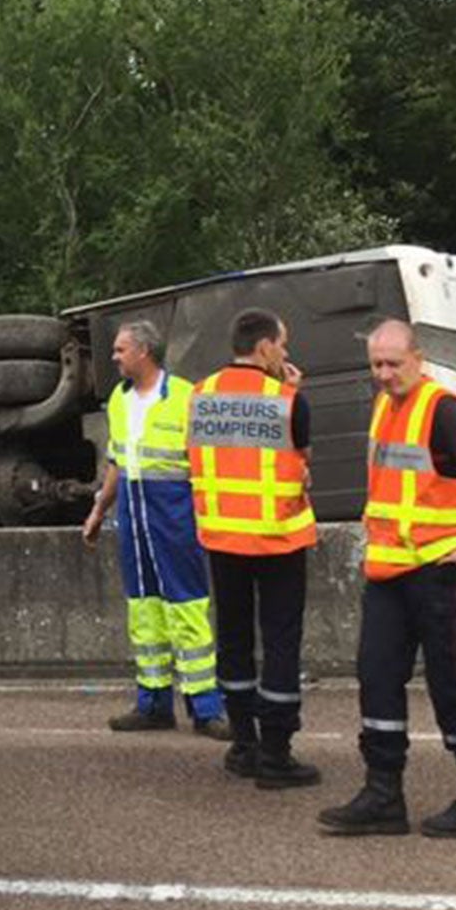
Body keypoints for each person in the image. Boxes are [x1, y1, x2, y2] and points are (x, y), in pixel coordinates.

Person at [320, 320, 456, 840]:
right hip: (390, 569)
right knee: (377, 675)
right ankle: (383, 794)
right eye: (376, 365)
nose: (384, 374)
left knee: (451, 681)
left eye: (393, 364)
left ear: (418, 359)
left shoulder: (442, 409)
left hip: (439, 571)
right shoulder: (387, 406)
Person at [187, 308, 320, 790]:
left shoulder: (200, 396)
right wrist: (293, 392)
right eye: (281, 345)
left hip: (222, 538)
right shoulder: (287, 400)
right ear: (264, 347)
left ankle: (243, 743)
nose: (284, 353)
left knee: (234, 640)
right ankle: (277, 753)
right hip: (278, 538)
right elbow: (300, 461)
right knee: (281, 643)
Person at [83, 320, 226, 737]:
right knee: (144, 610)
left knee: (187, 606)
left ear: (144, 351)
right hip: (134, 512)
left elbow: (207, 464)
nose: (114, 357)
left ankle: (206, 708)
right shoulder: (119, 399)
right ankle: (153, 702)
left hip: (174, 513)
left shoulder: (185, 396)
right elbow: (117, 462)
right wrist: (98, 511)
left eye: (120, 350)